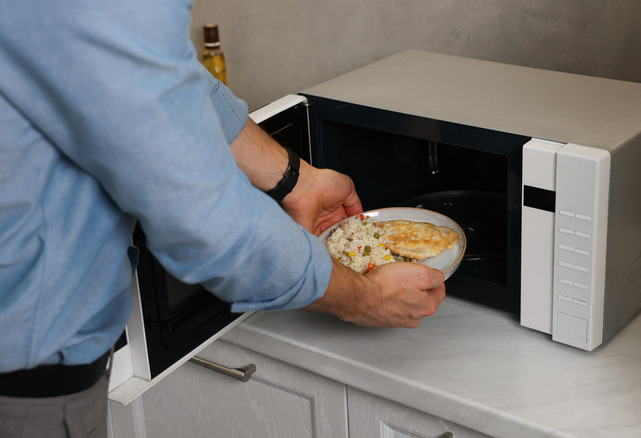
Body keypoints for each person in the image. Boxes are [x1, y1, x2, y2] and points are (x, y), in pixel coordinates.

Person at [0, 1, 446, 436]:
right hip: (24, 393)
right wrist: (364, 296)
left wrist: (298, 181)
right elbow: (208, 224)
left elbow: (167, 85)